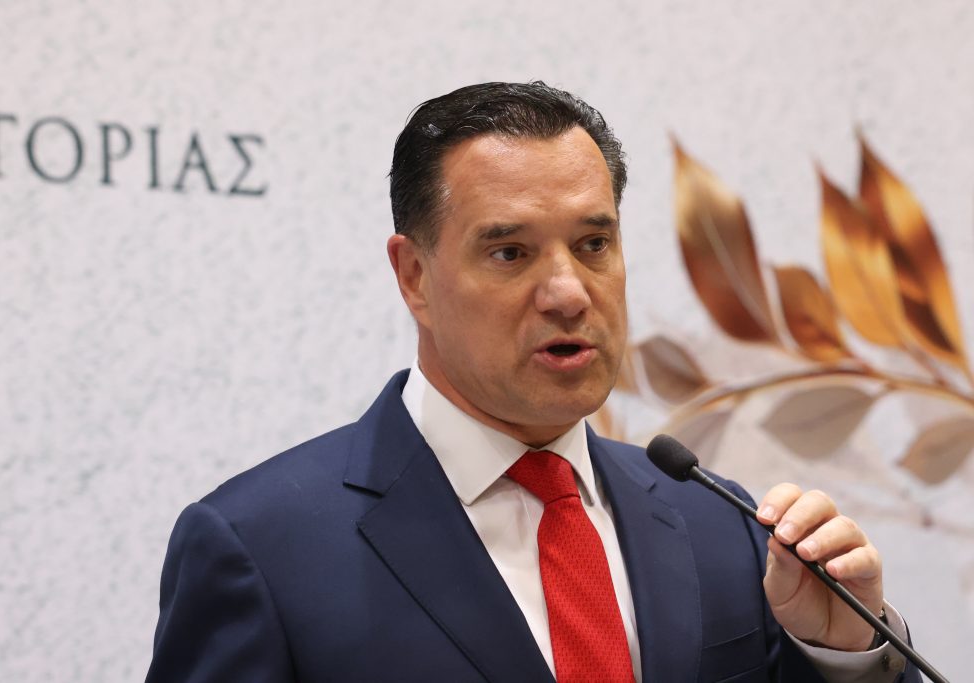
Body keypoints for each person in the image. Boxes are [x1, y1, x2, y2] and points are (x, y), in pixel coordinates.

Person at [147, 82, 918, 682]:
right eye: (510, 252)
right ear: (414, 276)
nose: (569, 292)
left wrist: (846, 652)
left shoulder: (721, 522)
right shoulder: (261, 549)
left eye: (593, 243)